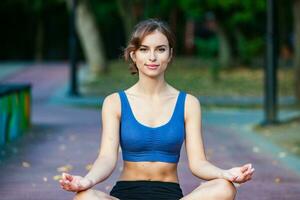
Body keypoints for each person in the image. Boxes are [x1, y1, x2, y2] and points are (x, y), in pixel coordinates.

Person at [59, 19, 254, 200]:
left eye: (160, 49)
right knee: (83, 197)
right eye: (144, 49)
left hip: (169, 193)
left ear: (170, 54)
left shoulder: (188, 103)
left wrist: (226, 174)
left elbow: (198, 163)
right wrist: (87, 181)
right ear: (134, 55)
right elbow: (106, 158)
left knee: (225, 188)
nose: (152, 57)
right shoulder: (115, 102)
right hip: (126, 193)